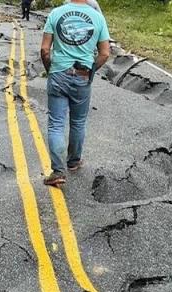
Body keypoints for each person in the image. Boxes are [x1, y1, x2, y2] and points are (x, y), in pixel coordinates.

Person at [40, 0, 110, 186]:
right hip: (82, 75)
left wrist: (50, 70)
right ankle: (73, 161)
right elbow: (105, 53)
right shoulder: (98, 17)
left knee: (56, 124)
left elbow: (45, 50)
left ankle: (57, 171)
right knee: (78, 122)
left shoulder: (56, 13)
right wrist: (91, 71)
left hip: (58, 74)